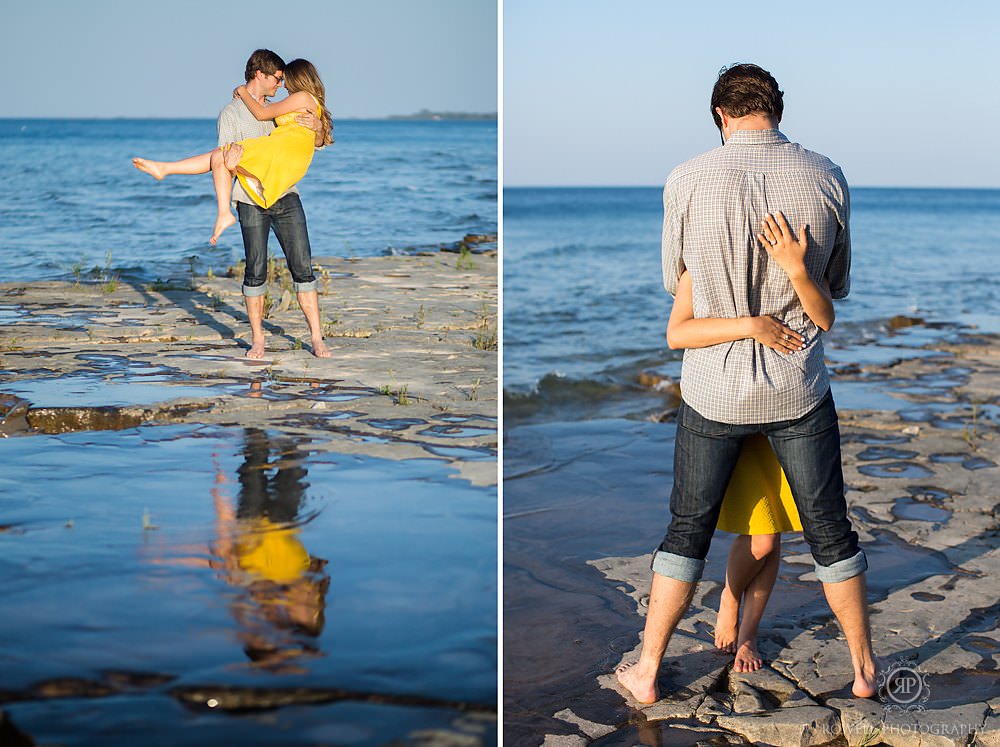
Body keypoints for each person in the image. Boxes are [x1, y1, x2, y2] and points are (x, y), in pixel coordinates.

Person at [616, 63, 876, 704]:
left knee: (687, 530)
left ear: (719, 116)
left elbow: (676, 286)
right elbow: (835, 288)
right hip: (797, 388)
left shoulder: (686, 178)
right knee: (829, 529)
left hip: (716, 389)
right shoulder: (826, 175)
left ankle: (648, 668)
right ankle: (867, 671)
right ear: (778, 110)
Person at [666, 214, 816, 673]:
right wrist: (751, 325)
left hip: (789, 406)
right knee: (761, 536)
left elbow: (824, 319)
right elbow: (677, 334)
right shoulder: (703, 268)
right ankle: (730, 601)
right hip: (726, 404)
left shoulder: (792, 265)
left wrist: (797, 268)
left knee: (771, 535)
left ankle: (747, 632)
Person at [133, 50, 333, 359]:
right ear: (260, 75)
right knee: (255, 270)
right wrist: (229, 159)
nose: (281, 84)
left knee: (303, 268)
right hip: (250, 197)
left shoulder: (282, 110)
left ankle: (317, 339)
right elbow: (223, 162)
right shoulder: (232, 113)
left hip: (285, 195)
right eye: (277, 79)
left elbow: (309, 143)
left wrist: (318, 128)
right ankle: (257, 340)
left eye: (284, 79)